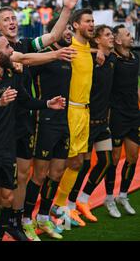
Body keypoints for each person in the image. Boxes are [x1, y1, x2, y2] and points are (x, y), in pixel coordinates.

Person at [0, 0, 81, 240]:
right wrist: (56, 56)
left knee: (23, 174)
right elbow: (25, 59)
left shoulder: (23, 42)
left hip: (25, 118)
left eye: (13, 18)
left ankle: (17, 221)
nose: (11, 22)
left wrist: (66, 9)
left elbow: (52, 37)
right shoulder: (0, 48)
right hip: (2, 120)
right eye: (5, 19)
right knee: (5, 179)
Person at [0, 32, 65, 241]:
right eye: (7, 48)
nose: (12, 50)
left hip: (7, 146)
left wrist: (47, 104)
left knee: (7, 198)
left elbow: (25, 100)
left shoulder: (13, 74)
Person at [22, 19, 74, 241]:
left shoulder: (68, 55)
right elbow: (24, 82)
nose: (69, 32)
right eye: (66, 28)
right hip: (45, 121)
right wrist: (35, 107)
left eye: (71, 28)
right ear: (56, 32)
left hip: (64, 121)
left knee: (57, 173)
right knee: (40, 174)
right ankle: (26, 220)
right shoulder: (44, 56)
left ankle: (43, 217)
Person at [66, 25, 116, 222]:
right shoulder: (89, 58)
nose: (111, 37)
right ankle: (69, 205)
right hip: (86, 120)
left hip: (102, 122)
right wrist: (96, 52)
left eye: (113, 35)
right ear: (96, 39)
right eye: (107, 35)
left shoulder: (111, 58)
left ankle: (84, 200)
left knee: (106, 162)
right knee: (82, 166)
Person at [52, 8, 95, 227]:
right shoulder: (70, 50)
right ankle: (51, 209)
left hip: (84, 112)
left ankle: (60, 206)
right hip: (70, 111)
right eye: (87, 21)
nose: (92, 24)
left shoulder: (89, 49)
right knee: (63, 163)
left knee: (78, 162)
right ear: (76, 25)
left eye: (93, 20)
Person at [103, 25, 139, 217]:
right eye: (127, 35)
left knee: (133, 158)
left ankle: (122, 195)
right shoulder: (111, 60)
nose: (131, 37)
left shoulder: (136, 58)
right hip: (116, 115)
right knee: (114, 160)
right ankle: (109, 198)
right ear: (117, 40)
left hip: (134, 114)